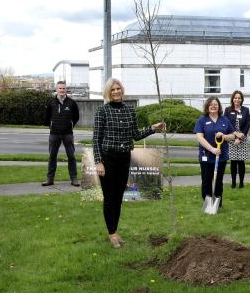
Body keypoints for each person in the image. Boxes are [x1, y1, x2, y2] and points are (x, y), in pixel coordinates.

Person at [93, 78, 164, 248]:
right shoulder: (102, 111)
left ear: (122, 91)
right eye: (113, 89)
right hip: (108, 159)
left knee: (118, 197)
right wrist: (98, 162)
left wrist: (152, 128)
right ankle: (112, 233)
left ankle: (115, 231)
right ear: (108, 92)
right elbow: (96, 139)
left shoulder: (129, 111)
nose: (116, 91)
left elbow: (135, 135)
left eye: (118, 89)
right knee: (109, 197)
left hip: (124, 159)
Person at [194, 96, 236, 208]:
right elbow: (200, 138)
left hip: (221, 157)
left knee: (218, 181)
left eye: (216, 104)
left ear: (219, 106)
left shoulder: (224, 120)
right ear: (207, 106)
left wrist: (224, 136)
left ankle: (218, 204)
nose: (213, 106)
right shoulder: (202, 120)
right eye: (211, 104)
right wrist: (212, 149)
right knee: (207, 181)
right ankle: (207, 204)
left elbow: (233, 135)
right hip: (206, 157)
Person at [43, 81, 80, 187]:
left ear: (66, 89)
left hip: (68, 134)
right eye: (60, 88)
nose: (62, 90)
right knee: (52, 157)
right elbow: (46, 117)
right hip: (54, 134)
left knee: (71, 156)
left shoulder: (72, 103)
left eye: (63, 88)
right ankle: (50, 179)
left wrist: (70, 124)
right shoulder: (51, 103)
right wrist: (51, 125)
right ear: (56, 89)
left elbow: (76, 117)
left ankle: (74, 179)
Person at [224, 90, 250, 189]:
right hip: (231, 138)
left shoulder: (245, 110)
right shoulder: (227, 110)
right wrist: (235, 136)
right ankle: (234, 182)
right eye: (235, 98)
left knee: (241, 161)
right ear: (232, 99)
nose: (237, 100)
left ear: (242, 99)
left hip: (243, 138)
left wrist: (241, 137)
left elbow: (247, 124)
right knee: (233, 161)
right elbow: (226, 124)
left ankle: (241, 183)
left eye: (239, 98)